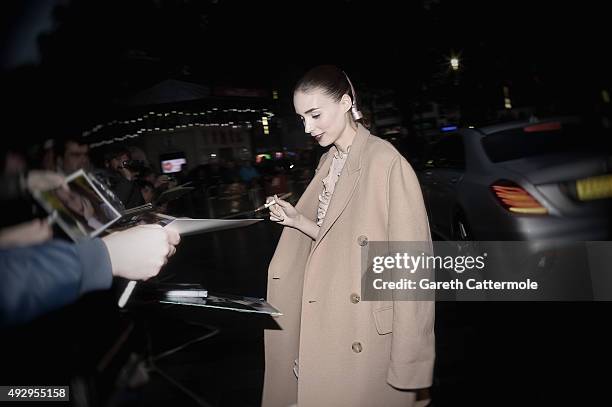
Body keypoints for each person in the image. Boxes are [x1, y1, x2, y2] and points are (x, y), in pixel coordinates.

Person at [262, 65, 434, 407]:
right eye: (301, 118)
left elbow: (411, 269)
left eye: (315, 114)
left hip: (362, 327)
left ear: (344, 103)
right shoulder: (329, 161)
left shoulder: (385, 162)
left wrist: (409, 362)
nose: (308, 127)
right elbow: (336, 238)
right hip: (327, 312)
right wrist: (298, 220)